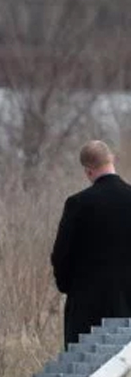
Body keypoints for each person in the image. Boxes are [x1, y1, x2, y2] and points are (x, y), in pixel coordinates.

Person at [51, 140, 131, 347]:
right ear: (111, 159)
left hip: (87, 307)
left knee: (85, 369)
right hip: (128, 303)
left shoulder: (78, 204)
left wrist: (69, 286)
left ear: (87, 170)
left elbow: (61, 255)